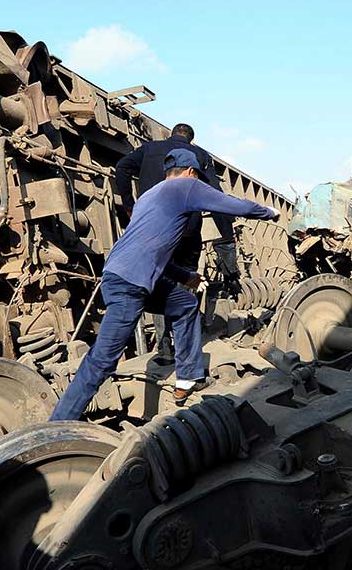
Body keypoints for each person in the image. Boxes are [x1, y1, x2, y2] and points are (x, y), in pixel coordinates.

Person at [51, 149, 278, 419]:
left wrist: (185, 276)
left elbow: (149, 249)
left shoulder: (150, 195)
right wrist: (268, 212)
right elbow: (232, 205)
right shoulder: (186, 186)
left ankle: (188, 378)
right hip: (129, 285)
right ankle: (57, 425)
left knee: (185, 304)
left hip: (120, 275)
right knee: (101, 361)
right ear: (191, 172)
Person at [114, 123, 241, 361]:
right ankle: (184, 347)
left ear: (169, 135)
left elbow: (121, 168)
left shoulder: (149, 148)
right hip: (187, 229)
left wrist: (129, 206)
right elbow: (215, 194)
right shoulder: (199, 155)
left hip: (154, 231)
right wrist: (226, 236)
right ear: (191, 140)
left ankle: (164, 348)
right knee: (188, 282)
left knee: (157, 281)